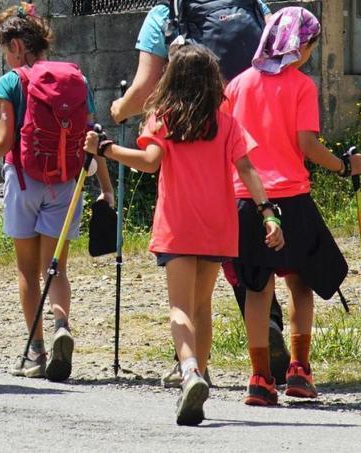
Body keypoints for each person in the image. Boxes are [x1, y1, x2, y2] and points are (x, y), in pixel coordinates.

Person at [109, 0, 289, 384]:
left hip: (188, 135)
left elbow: (146, 85)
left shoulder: (164, 13)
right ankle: (264, 319)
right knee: (242, 230)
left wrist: (119, 110)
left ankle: (190, 362)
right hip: (245, 126)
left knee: (187, 274)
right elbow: (273, 60)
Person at [86, 43, 283, 426]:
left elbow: (149, 164)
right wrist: (268, 214)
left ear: (172, 78)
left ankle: (190, 370)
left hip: (179, 225)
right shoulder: (225, 123)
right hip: (217, 226)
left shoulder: (163, 118)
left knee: (179, 308)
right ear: (212, 82)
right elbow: (247, 170)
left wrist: (108, 149)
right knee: (201, 306)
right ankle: (200, 375)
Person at [0, 3, 114, 382]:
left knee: (27, 272)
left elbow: (2, 143)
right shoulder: (73, 80)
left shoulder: (10, 83)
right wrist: (106, 191)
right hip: (66, 182)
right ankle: (62, 326)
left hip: (25, 181)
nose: (5, 56)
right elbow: (92, 138)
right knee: (57, 268)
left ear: (16, 45)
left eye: (4, 49)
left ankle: (36, 350)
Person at [225, 7, 361, 406]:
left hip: (245, 198)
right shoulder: (302, 86)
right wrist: (342, 167)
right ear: (299, 45)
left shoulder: (237, 85)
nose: (311, 53)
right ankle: (299, 370)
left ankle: (259, 378)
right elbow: (307, 145)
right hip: (292, 198)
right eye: (311, 45)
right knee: (300, 281)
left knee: (256, 287)